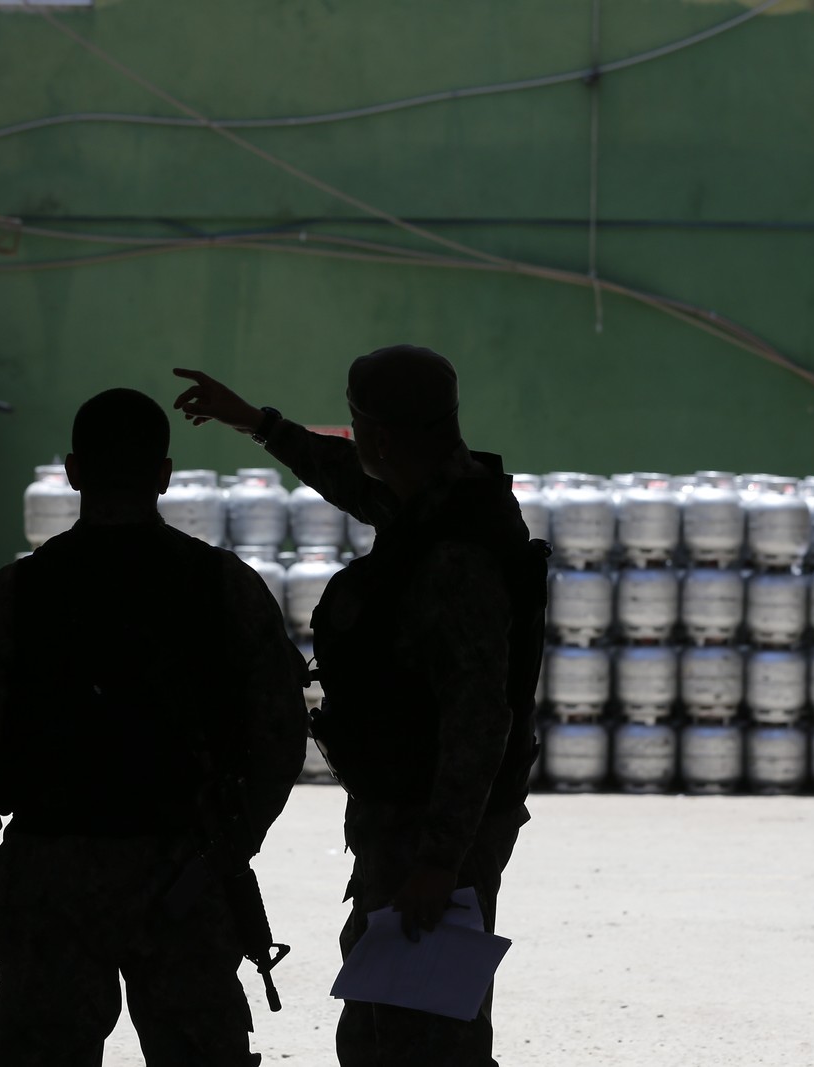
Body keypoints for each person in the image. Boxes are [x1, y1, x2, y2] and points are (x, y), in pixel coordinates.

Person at [173, 347, 547, 1067]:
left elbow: (480, 718)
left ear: (377, 436)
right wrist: (257, 422)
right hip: (413, 820)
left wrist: (441, 861)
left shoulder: (455, 551)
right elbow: (348, 478)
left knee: (423, 1036)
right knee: (390, 1024)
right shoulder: (433, 500)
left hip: (433, 829)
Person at [0, 387, 307, 1067]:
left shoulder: (16, 593)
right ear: (163, 475)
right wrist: (229, 844)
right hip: (182, 874)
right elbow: (280, 736)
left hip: (52, 874)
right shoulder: (224, 586)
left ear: (73, 472)